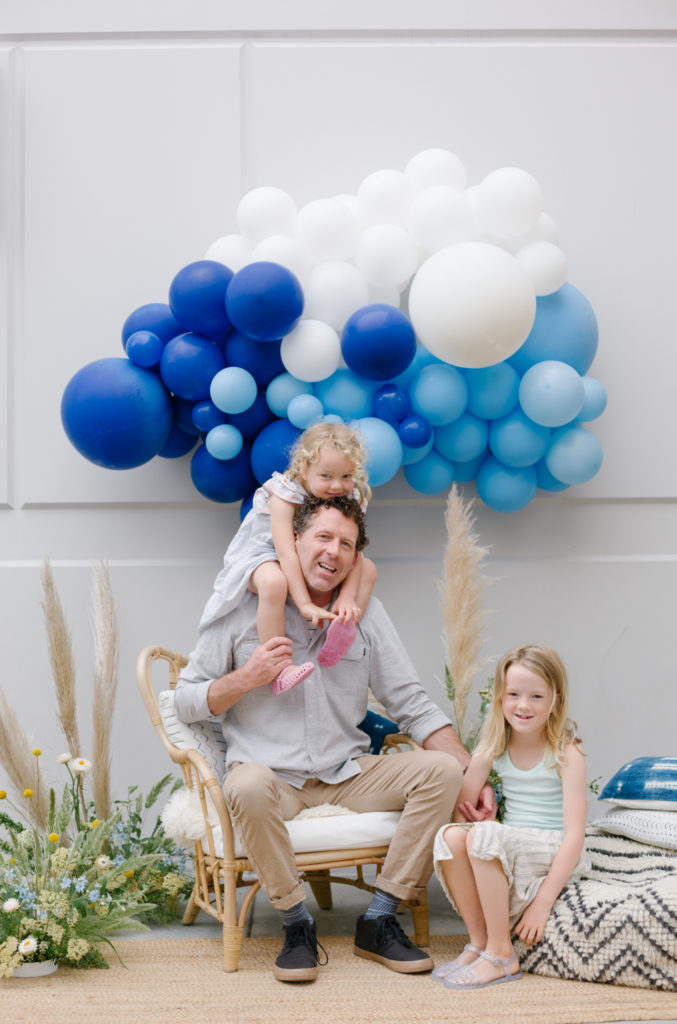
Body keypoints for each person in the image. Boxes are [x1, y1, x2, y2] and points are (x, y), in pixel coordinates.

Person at [175, 495, 496, 983]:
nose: (333, 551)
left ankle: (380, 918)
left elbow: (410, 701)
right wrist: (247, 678)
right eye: (323, 537)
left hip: (347, 773)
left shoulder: (365, 613)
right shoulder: (243, 607)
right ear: (294, 541)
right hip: (272, 778)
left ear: (355, 556)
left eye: (346, 543)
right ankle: (296, 923)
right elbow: (185, 700)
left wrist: (474, 776)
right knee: (245, 784)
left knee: (444, 771)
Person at [431, 644, 590, 990]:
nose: (523, 705)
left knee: (483, 834)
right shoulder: (494, 746)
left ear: (556, 701)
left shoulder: (567, 752)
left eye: (536, 696)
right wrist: (475, 822)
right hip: (517, 843)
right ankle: (480, 943)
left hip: (556, 846)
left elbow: (575, 835)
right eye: (514, 694)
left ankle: (502, 954)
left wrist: (542, 904)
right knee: (450, 835)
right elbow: (462, 811)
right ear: (500, 697)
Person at [198, 422, 378, 695]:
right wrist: (304, 603)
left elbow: (355, 549)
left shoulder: (351, 495)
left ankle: (340, 631)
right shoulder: (285, 494)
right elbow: (285, 552)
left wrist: (347, 596)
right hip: (264, 552)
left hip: (307, 552)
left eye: (346, 476)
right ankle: (279, 668)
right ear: (304, 469)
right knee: (274, 583)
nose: (337, 485)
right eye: (326, 475)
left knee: (369, 570)